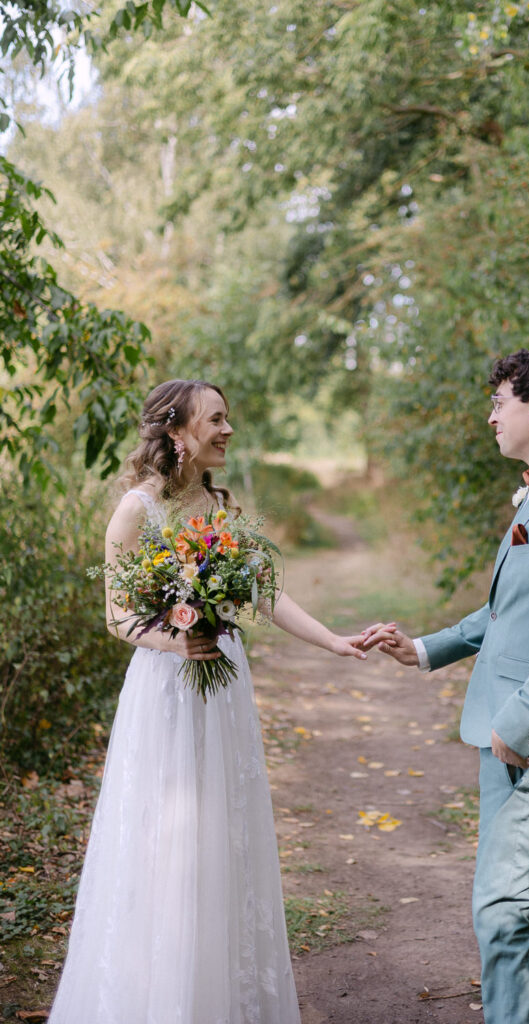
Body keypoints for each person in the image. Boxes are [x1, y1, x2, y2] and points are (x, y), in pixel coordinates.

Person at [48, 379, 368, 1024]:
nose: (227, 430)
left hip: (223, 687)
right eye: (216, 420)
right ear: (178, 430)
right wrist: (177, 641)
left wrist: (333, 641)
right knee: (166, 838)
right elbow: (116, 617)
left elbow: (265, 594)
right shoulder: (136, 511)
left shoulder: (220, 506)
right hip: (165, 692)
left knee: (222, 832)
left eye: (228, 419)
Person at [361, 347, 529, 1024]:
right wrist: (421, 649)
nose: (489, 417)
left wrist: (519, 724)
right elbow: (511, 611)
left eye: (498, 402)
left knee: (503, 911)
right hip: (517, 733)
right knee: (503, 906)